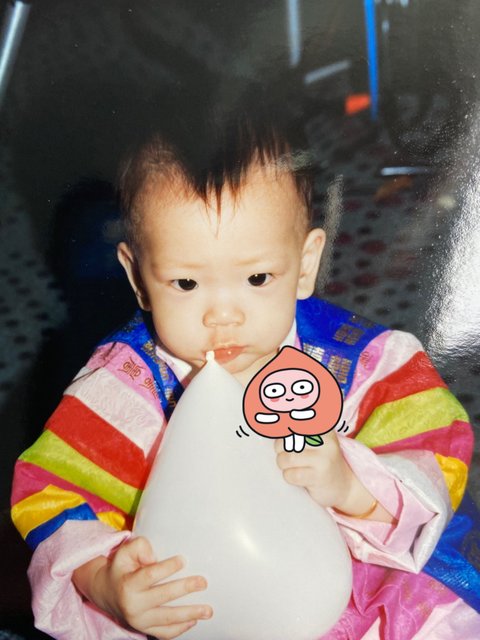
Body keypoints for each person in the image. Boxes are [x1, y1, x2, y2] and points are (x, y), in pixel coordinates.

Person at [10, 87, 479, 639]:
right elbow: (54, 493)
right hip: (200, 607)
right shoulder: (121, 386)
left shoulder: (364, 360)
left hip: (360, 592)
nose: (223, 315)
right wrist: (104, 580)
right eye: (186, 283)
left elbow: (434, 449)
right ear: (138, 278)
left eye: (257, 278)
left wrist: (354, 486)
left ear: (305, 263)